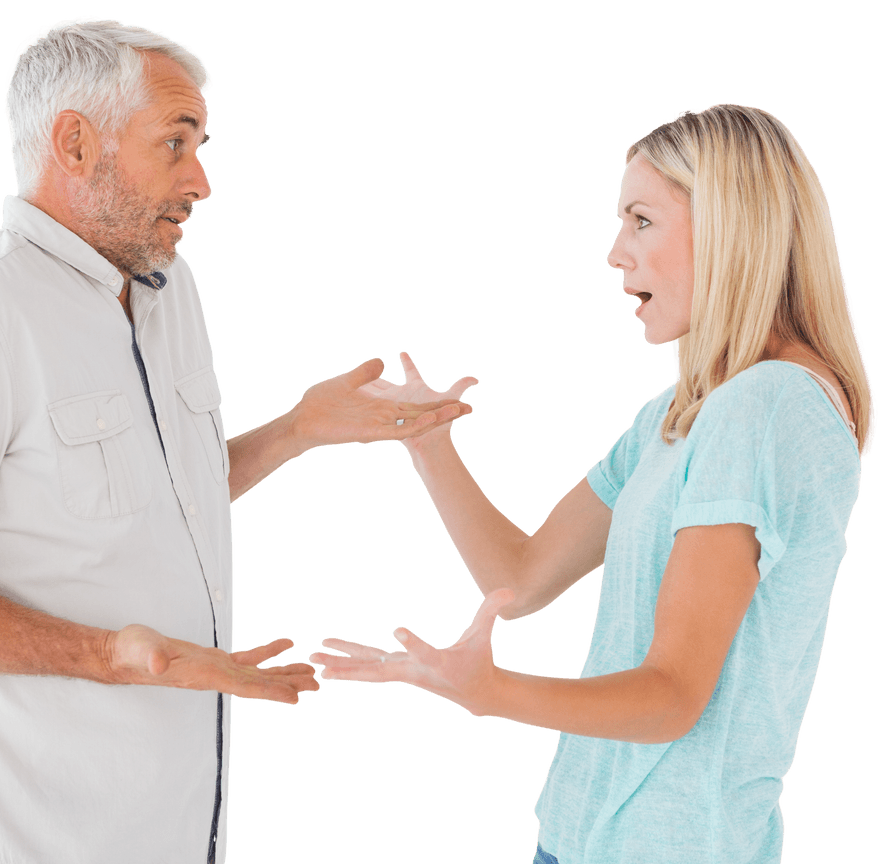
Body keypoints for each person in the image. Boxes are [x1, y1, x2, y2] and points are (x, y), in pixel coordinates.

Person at [0, 18, 470, 864]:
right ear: (76, 142)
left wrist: (297, 431)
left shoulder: (169, 292)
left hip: (175, 834)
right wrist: (108, 657)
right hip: (26, 841)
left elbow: (144, 498)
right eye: (176, 142)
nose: (201, 180)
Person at [310, 104, 876, 863]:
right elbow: (520, 580)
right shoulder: (681, 414)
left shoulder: (765, 408)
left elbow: (673, 693)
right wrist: (430, 442)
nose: (616, 253)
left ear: (730, 225)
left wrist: (489, 692)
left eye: (641, 220)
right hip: (582, 840)